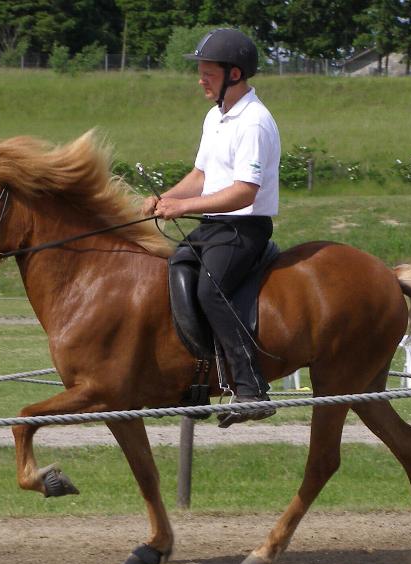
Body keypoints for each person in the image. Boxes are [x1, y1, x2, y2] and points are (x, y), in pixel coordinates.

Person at [141, 28, 280, 428]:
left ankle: (252, 388)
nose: (200, 78)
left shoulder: (253, 121)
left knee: (210, 289)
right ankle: (198, 382)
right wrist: (163, 199)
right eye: (200, 71)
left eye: (208, 72)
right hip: (213, 227)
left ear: (234, 74)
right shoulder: (215, 116)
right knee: (178, 271)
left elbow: (243, 192)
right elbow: (202, 174)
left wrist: (183, 207)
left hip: (243, 229)